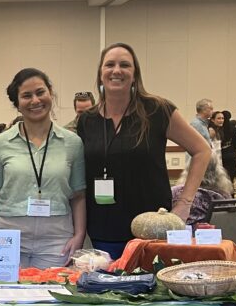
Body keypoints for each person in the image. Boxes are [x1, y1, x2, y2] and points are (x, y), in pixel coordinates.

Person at [77, 43, 210, 260]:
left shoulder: (157, 110)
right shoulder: (87, 120)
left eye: (125, 65)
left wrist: (185, 202)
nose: (116, 70)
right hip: (104, 227)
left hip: (152, 230)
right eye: (109, 64)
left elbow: (202, 151)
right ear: (100, 74)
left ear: (135, 73)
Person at [0, 68, 86, 268]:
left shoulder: (73, 143)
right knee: (7, 295)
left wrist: (79, 235)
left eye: (40, 92)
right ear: (17, 104)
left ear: (51, 93)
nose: (35, 100)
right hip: (8, 235)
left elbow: (78, 194)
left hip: (56, 238)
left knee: (52, 295)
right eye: (26, 96)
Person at [211, 110, 236, 183]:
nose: (221, 120)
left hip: (225, 157)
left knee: (224, 180)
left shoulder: (217, 129)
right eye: (219, 118)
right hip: (223, 157)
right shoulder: (213, 130)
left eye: (222, 118)